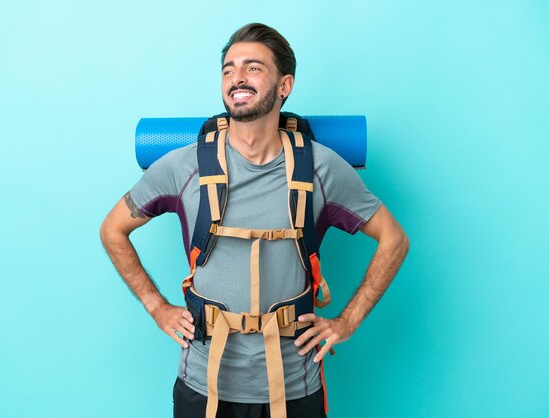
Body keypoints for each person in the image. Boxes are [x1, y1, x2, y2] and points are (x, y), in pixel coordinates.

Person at [100, 23, 409, 418]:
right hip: (203, 386)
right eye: (228, 69)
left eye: (253, 68)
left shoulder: (321, 169)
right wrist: (156, 306)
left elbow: (394, 240)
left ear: (285, 86)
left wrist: (346, 322)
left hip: (294, 387)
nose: (237, 78)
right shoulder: (184, 167)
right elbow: (112, 229)